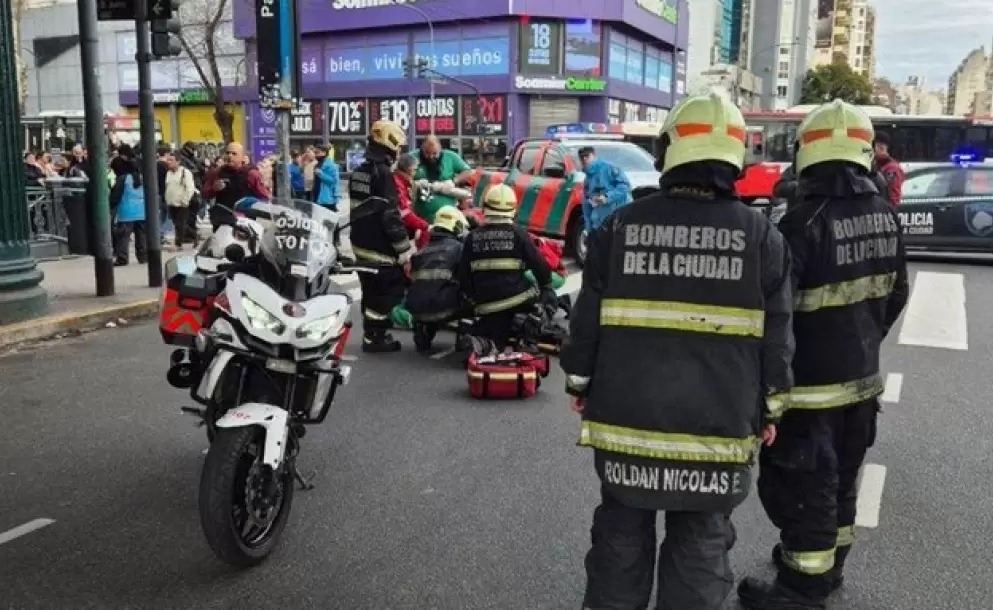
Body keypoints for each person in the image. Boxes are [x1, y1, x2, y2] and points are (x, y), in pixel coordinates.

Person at [560, 88, 794, 610]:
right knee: (701, 544)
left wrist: (580, 383)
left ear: (669, 151)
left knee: (620, 538)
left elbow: (587, 321)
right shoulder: (762, 237)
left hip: (626, 427)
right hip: (717, 433)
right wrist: (772, 408)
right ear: (736, 156)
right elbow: (777, 340)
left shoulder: (620, 226)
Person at [737, 100, 909, 609]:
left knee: (803, 488)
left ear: (806, 152)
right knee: (840, 486)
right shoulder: (883, 215)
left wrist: (766, 384)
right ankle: (824, 567)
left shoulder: (801, 221)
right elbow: (897, 293)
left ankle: (800, 589)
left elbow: (775, 313)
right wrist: (863, 343)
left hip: (808, 393)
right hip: (860, 387)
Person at [458, 183, 555, 353]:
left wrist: (475, 300)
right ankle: (531, 329)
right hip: (517, 299)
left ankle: (482, 342)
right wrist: (546, 287)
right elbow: (541, 268)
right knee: (548, 295)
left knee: (496, 331)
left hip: (485, 304)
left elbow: (463, 275)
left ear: (486, 207)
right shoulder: (518, 234)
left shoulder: (472, 237)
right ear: (513, 209)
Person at [347, 119, 416, 353]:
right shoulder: (383, 174)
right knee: (389, 289)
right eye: (398, 147)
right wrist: (404, 249)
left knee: (370, 289)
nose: (399, 153)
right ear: (391, 144)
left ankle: (370, 334)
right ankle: (376, 336)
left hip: (359, 241)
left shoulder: (359, 172)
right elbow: (390, 216)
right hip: (378, 244)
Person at [405, 205, 470, 352]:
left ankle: (423, 331)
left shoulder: (419, 253)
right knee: (473, 291)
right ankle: (465, 336)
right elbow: (467, 280)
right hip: (445, 308)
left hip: (417, 310)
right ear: (457, 226)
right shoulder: (460, 249)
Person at [202, 142, 271, 231]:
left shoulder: (251, 174)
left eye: (234, 154)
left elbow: (264, 197)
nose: (230, 156)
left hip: (245, 223)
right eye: (227, 153)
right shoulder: (217, 173)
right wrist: (214, 189)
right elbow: (204, 194)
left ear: (242, 157)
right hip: (222, 222)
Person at [412, 135, 474, 222]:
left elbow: (468, 172)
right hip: (420, 215)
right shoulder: (412, 157)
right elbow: (400, 173)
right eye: (427, 153)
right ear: (421, 148)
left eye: (434, 153)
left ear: (440, 149)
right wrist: (416, 184)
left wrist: (453, 182)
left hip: (448, 217)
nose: (430, 156)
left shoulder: (450, 157)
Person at [578, 145, 632, 233]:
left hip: (619, 221)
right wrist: (589, 229)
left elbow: (624, 187)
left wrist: (607, 197)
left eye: (587, 156)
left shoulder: (609, 168)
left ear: (594, 156)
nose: (584, 159)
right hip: (600, 224)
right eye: (581, 157)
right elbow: (586, 205)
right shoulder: (588, 179)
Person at [109, 145, 148, 266]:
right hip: (141, 210)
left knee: (123, 236)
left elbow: (115, 196)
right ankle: (143, 257)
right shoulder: (141, 178)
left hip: (126, 211)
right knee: (141, 235)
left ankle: (122, 258)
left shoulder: (123, 179)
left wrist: (111, 205)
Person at [394, 153, 431, 249]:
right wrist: (424, 226)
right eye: (415, 169)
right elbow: (404, 213)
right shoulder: (397, 183)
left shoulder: (404, 182)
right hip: (397, 227)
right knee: (425, 230)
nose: (416, 172)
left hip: (400, 224)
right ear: (408, 169)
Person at [163, 152, 198, 249]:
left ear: (178, 161)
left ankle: (178, 244)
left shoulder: (185, 172)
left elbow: (190, 188)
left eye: (171, 160)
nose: (168, 162)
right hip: (171, 202)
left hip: (182, 203)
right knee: (179, 224)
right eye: (168, 160)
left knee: (180, 224)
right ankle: (194, 235)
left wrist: (185, 200)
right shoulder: (168, 173)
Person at [872, 132, 903, 207]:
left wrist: (888, 213)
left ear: (880, 147)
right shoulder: (877, 165)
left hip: (885, 212)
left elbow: (893, 197)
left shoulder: (892, 168)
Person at [315, 146, 341, 210]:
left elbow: (334, 181)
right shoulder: (317, 164)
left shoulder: (331, 165)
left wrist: (321, 174)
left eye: (318, 152)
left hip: (327, 198)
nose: (316, 154)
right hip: (317, 195)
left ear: (324, 153)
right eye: (315, 152)